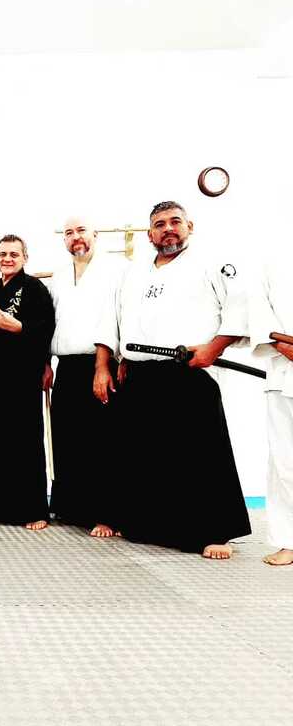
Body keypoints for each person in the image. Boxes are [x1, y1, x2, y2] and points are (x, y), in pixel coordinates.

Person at [94, 200, 251, 559]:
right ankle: (151, 526)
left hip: (188, 370)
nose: (168, 229)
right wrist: (112, 362)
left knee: (200, 454)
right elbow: (113, 319)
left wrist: (213, 348)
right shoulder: (133, 272)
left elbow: (240, 307)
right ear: (150, 234)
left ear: (189, 226)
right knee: (145, 456)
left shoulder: (211, 263)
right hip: (139, 374)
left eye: (175, 221)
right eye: (160, 224)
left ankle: (215, 531)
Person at [45, 217, 124, 537]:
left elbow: (114, 318)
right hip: (66, 364)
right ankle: (73, 508)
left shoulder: (117, 269)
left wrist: (103, 367)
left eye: (81, 231)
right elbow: (49, 323)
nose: (76, 237)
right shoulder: (60, 275)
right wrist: (46, 364)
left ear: (95, 234)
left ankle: (107, 514)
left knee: (102, 441)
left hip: (99, 363)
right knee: (67, 437)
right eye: (69, 233)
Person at [0, 234, 55, 528]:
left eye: (14, 254)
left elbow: (47, 329)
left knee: (24, 441)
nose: (7, 259)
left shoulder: (35, 289)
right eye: (3, 254)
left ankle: (33, 510)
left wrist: (18, 327)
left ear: (25, 258)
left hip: (22, 375)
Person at [250, 256, 293, 566]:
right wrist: (281, 345)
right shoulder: (274, 264)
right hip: (283, 372)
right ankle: (288, 541)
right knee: (284, 461)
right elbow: (258, 311)